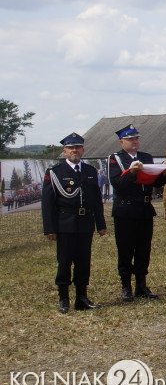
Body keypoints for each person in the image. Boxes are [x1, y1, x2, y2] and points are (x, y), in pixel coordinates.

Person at [108, 124, 166, 302]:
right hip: (125, 210)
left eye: (136, 139)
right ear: (122, 141)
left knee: (143, 250)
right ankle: (125, 287)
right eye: (131, 139)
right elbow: (118, 184)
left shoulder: (145, 157)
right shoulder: (115, 159)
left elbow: (154, 182)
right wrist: (132, 172)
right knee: (125, 250)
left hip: (144, 209)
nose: (135, 142)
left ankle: (141, 285)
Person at [42, 133, 107, 313]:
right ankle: (63, 299)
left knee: (83, 262)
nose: (75, 151)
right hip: (65, 224)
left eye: (78, 147)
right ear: (64, 151)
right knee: (64, 262)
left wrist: (100, 224)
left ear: (83, 150)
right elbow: (47, 203)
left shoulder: (89, 171)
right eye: (71, 148)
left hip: (85, 223)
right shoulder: (55, 172)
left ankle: (81, 298)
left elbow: (95, 200)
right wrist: (49, 228)